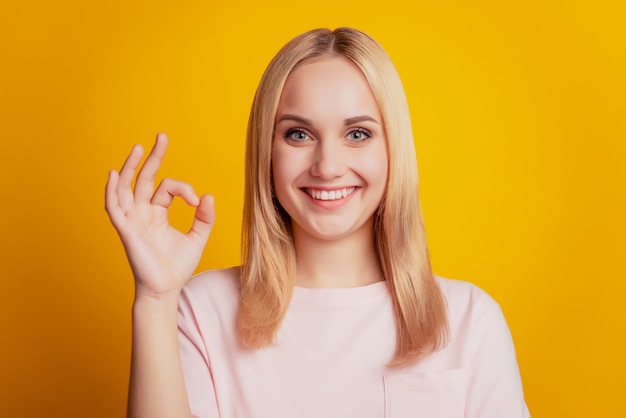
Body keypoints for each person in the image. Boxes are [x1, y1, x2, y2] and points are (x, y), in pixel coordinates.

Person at [106, 27, 530, 418]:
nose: (327, 166)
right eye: (298, 134)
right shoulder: (202, 310)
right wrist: (156, 299)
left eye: (358, 134)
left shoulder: (470, 320)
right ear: (266, 152)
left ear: (392, 149)